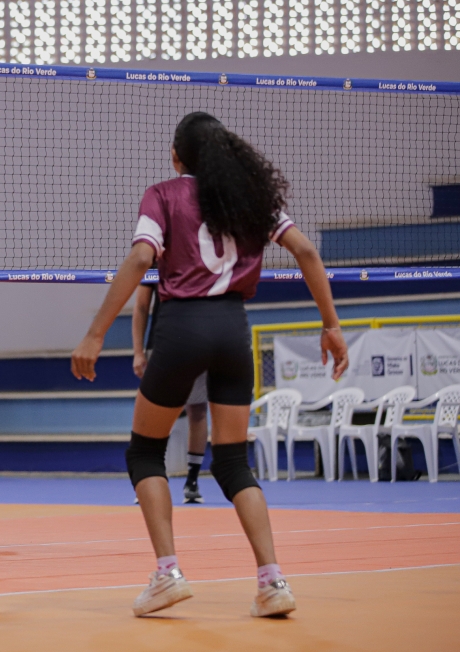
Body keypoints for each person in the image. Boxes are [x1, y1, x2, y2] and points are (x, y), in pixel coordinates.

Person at [72, 112, 348, 619]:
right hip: (233, 330)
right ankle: (272, 581)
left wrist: (94, 333)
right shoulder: (249, 197)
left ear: (176, 156)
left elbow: (140, 259)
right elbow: (307, 251)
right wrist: (331, 325)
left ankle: (168, 573)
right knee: (234, 461)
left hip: (182, 327)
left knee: (145, 453)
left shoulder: (162, 194)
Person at [133, 284, 207, 504]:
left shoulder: (209, 261)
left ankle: (192, 481)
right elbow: (141, 306)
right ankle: (149, 480)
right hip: (162, 343)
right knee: (154, 414)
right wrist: (138, 352)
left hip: (201, 342)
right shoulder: (153, 262)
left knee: (198, 410)